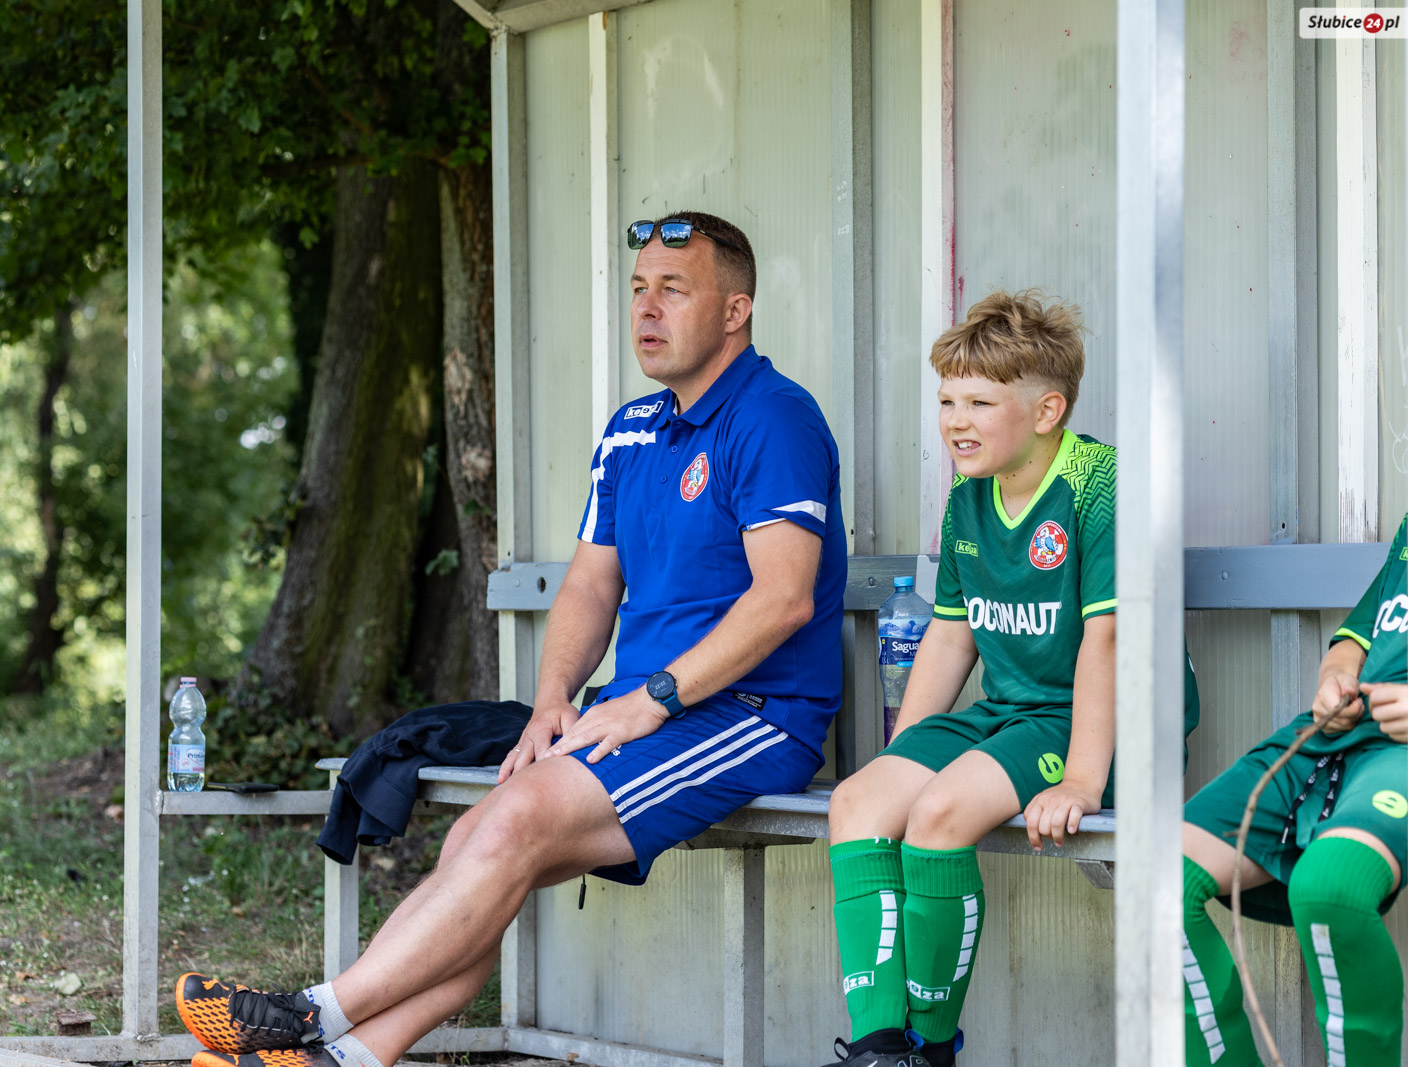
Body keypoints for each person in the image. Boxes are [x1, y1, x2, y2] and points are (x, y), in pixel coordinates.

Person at [175, 211, 848, 1067]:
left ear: (735, 310)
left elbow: (783, 601)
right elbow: (591, 584)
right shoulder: (632, 429)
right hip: (642, 713)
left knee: (512, 825)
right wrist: (553, 697)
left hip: (752, 714)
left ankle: (306, 1015)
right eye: (639, 289)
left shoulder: (774, 418)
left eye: (674, 290)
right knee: (477, 847)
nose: (647, 309)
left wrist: (653, 697)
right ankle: (341, 1061)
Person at [819, 290, 1199, 1067]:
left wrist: (1084, 779)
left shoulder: (1103, 485)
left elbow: (1110, 640)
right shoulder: (969, 494)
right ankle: (879, 1047)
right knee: (857, 800)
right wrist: (904, 752)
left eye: (980, 403)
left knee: (940, 812)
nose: (955, 421)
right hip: (1011, 713)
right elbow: (951, 635)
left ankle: (930, 1049)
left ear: (1047, 410)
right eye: (946, 401)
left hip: (1103, 721)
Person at [1179, 512, 1408, 1067]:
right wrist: (1334, 680)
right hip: (1335, 734)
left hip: (1399, 754)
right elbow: (1355, 640)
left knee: (1330, 887)